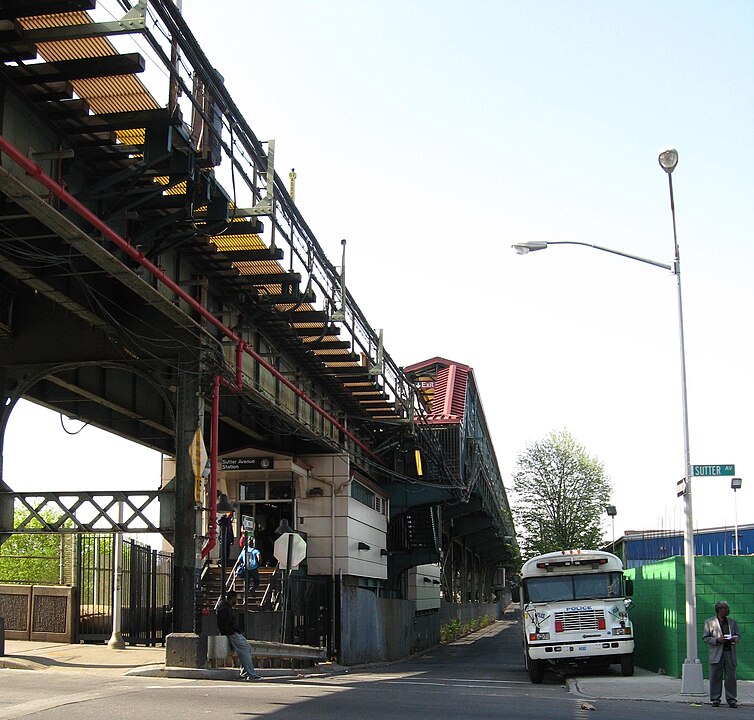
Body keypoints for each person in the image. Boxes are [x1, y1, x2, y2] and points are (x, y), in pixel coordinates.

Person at [215, 590, 262, 680]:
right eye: (236, 599)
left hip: (234, 632)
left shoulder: (226, 607)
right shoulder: (224, 608)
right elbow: (223, 624)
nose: (236, 601)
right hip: (232, 633)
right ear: (232, 598)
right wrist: (231, 632)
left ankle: (245, 672)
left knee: (247, 648)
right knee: (244, 649)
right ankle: (251, 674)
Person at [703, 600, 740, 708]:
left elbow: (738, 635)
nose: (727, 610)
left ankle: (731, 699)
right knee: (715, 676)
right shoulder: (709, 622)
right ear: (719, 610)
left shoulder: (732, 622)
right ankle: (715, 698)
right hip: (717, 653)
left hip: (729, 653)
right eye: (725, 608)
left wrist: (735, 639)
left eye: (727, 608)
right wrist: (717, 640)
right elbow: (705, 638)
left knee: (731, 678)